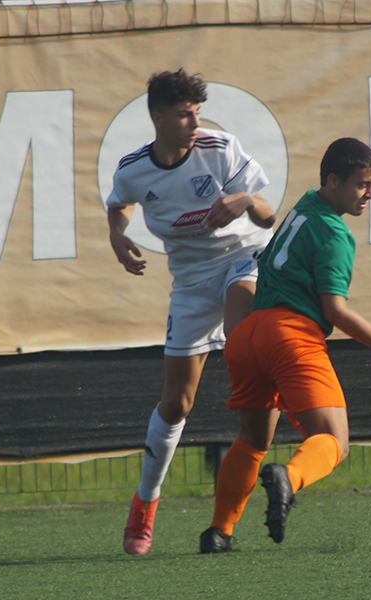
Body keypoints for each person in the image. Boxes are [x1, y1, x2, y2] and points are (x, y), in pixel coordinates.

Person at [198, 138, 371, 554]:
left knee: (251, 440)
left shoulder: (305, 205)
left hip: (249, 336)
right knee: (334, 441)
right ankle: (288, 479)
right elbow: (334, 310)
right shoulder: (334, 233)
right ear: (333, 181)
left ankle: (218, 532)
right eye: (362, 184)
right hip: (289, 336)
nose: (370, 194)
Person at [106, 69, 276, 555]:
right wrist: (117, 235)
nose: (195, 123)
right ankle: (145, 502)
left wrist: (244, 200)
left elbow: (267, 216)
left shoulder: (219, 149)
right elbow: (120, 203)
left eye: (198, 113)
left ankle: (276, 420)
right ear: (157, 117)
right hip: (190, 283)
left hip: (242, 259)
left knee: (243, 346)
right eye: (185, 115)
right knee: (177, 402)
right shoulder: (133, 169)